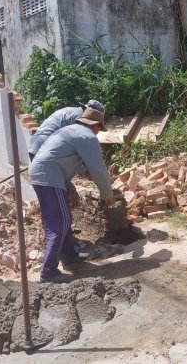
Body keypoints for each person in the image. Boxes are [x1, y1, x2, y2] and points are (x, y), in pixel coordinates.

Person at [29, 107, 115, 283]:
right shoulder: (87, 136)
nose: (98, 133)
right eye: (100, 129)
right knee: (60, 222)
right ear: (95, 125)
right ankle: (49, 272)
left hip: (43, 174)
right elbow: (98, 170)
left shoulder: (67, 130)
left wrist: (70, 187)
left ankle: (69, 258)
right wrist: (108, 195)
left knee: (60, 219)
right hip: (49, 177)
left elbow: (58, 161)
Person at [27, 99, 105, 161]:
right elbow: (79, 146)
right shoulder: (81, 117)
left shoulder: (72, 110)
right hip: (45, 150)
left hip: (35, 145)